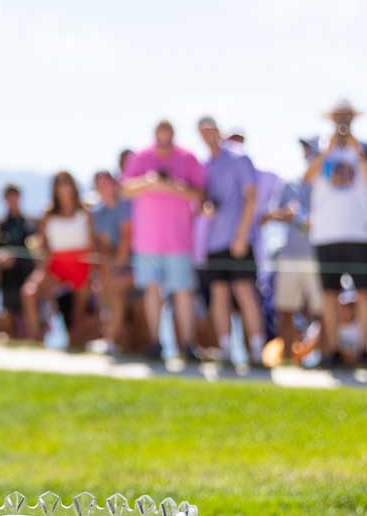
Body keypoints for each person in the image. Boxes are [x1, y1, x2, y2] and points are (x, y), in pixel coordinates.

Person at [121, 119, 206, 361]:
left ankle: (188, 344)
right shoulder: (141, 157)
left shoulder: (188, 158)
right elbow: (125, 189)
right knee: (151, 291)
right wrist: (149, 182)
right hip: (148, 241)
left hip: (179, 240)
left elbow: (199, 193)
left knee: (183, 292)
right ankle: (156, 343)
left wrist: (173, 187)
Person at [303, 135, 367, 367]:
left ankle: (365, 350)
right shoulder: (322, 148)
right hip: (326, 234)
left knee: (364, 293)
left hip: (361, 234)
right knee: (329, 294)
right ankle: (332, 350)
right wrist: (327, 150)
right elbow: (307, 178)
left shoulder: (366, 148)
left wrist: (358, 150)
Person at [197, 117, 264, 364]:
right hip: (214, 242)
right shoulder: (206, 165)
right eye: (202, 132)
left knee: (245, 292)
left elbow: (251, 196)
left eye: (210, 130)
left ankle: (257, 349)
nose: (207, 135)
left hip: (238, 240)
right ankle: (225, 348)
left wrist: (241, 235)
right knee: (219, 295)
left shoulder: (238, 157)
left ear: (218, 130)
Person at [20, 171, 93, 349]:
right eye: (58, 184)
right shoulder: (49, 213)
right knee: (29, 292)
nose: (63, 187)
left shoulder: (85, 211)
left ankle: (73, 345)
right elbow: (42, 243)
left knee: (78, 313)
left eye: (66, 183)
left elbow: (92, 244)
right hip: (55, 264)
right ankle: (36, 338)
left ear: (73, 186)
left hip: (81, 264)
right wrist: (40, 261)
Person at [262, 152, 319, 362]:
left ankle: (319, 357)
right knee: (285, 308)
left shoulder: (325, 185)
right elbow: (268, 216)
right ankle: (286, 357)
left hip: (318, 257)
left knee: (320, 310)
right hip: (289, 255)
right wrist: (288, 214)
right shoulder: (290, 184)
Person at [89, 169, 137, 354]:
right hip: (112, 267)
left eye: (108, 183)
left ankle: (109, 340)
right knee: (106, 289)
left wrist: (114, 268)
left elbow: (126, 241)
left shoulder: (125, 207)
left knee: (113, 288)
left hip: (135, 267)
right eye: (101, 184)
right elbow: (104, 246)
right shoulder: (98, 212)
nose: (105, 188)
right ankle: (110, 340)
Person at [0, 184, 33, 340]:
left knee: (26, 312)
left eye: (14, 196)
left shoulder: (29, 223)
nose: (12, 200)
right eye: (9, 196)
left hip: (26, 274)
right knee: (8, 312)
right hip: (8, 277)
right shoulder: (0, 224)